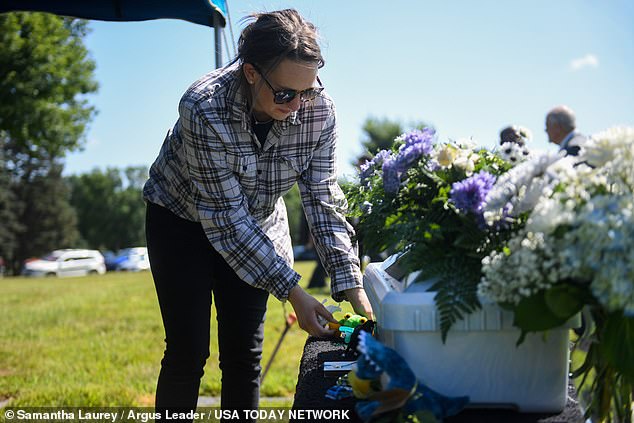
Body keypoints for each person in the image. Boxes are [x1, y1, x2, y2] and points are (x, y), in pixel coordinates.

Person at [142, 9, 373, 422]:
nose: (298, 106)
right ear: (250, 72)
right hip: (181, 222)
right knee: (188, 350)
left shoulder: (319, 111)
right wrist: (294, 293)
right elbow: (226, 220)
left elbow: (322, 198)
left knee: (243, 354)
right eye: (285, 93)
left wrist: (351, 285)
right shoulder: (203, 106)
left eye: (307, 91)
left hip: (260, 223)